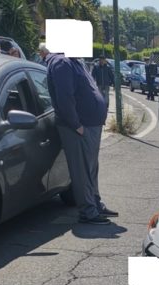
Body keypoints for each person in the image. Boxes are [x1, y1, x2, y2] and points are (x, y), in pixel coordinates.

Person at [46, 51, 117, 225]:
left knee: (91, 168)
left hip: (89, 125)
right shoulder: (62, 63)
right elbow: (65, 97)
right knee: (83, 171)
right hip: (79, 127)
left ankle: (95, 204)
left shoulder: (74, 61)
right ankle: (88, 211)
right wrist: (76, 125)